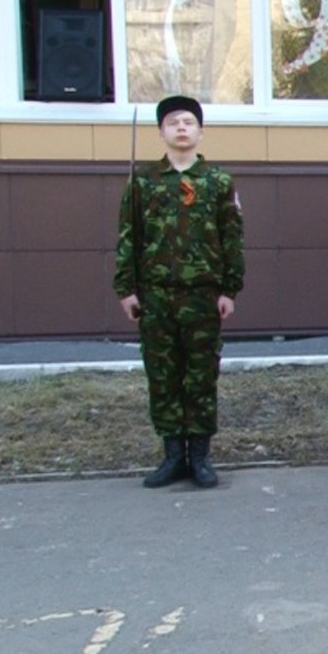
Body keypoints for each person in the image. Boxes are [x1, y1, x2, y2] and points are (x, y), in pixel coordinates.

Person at [114, 95, 245, 489]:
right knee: (163, 375)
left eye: (189, 121)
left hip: (202, 296)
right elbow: (128, 238)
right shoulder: (143, 182)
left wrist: (229, 289)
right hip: (155, 296)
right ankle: (173, 456)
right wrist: (126, 289)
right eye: (173, 122)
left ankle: (201, 457)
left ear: (201, 131)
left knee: (201, 375)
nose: (182, 128)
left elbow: (231, 239)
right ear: (161, 133)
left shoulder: (218, 182)